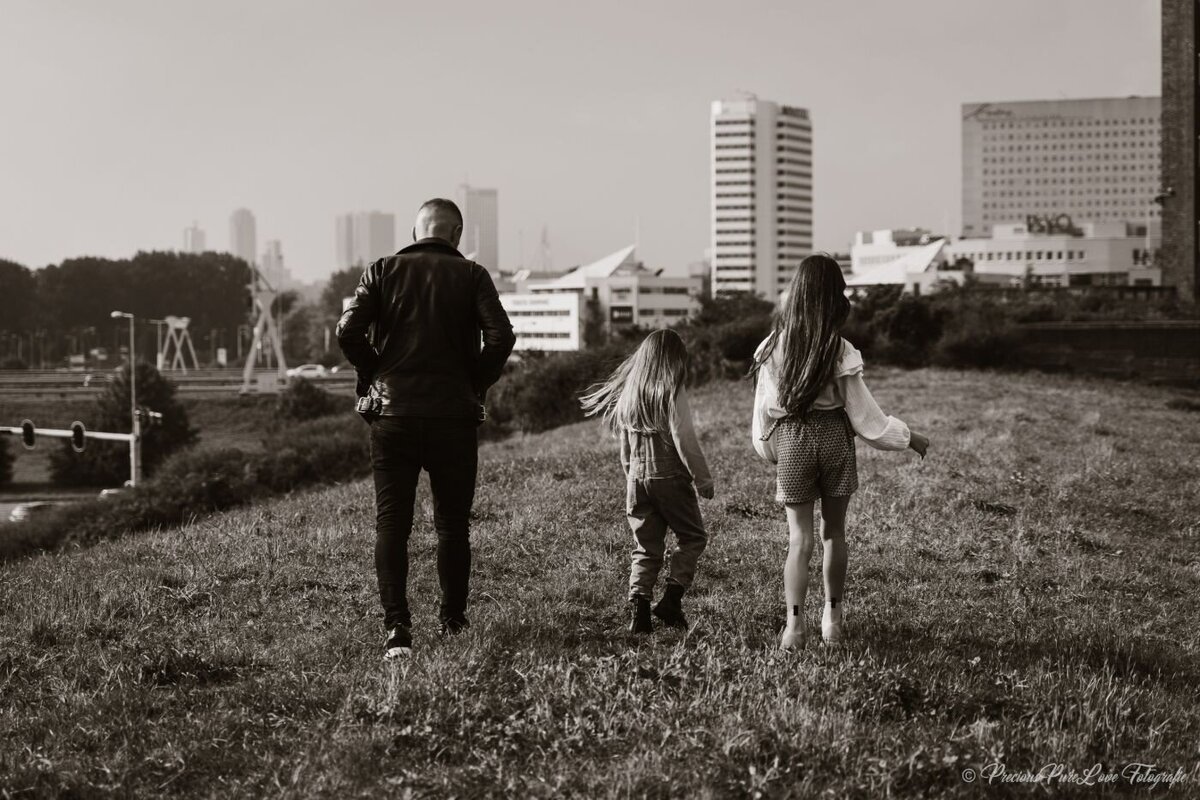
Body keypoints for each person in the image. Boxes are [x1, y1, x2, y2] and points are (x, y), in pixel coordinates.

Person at [336, 198, 515, 659]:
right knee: (453, 526)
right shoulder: (473, 275)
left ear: (417, 232)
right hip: (453, 417)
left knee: (391, 524)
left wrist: (375, 375)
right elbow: (501, 337)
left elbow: (347, 332)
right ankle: (453, 622)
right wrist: (474, 383)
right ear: (456, 235)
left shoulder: (381, 270)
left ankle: (397, 629)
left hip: (391, 417)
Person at [752, 254, 930, 650]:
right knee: (834, 533)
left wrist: (770, 451)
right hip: (834, 438)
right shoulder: (839, 348)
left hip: (793, 439)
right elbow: (866, 417)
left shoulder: (771, 347)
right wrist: (908, 437)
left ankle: (793, 628)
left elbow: (764, 412)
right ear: (833, 298)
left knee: (798, 539)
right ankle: (832, 619)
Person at [580, 329, 714, 634]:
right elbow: (684, 438)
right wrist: (702, 478)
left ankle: (639, 612)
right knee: (692, 537)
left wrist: (633, 479)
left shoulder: (631, 392)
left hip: (638, 480)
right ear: (675, 361)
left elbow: (626, 449)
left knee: (645, 547)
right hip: (670, 478)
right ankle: (671, 600)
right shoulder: (671, 390)